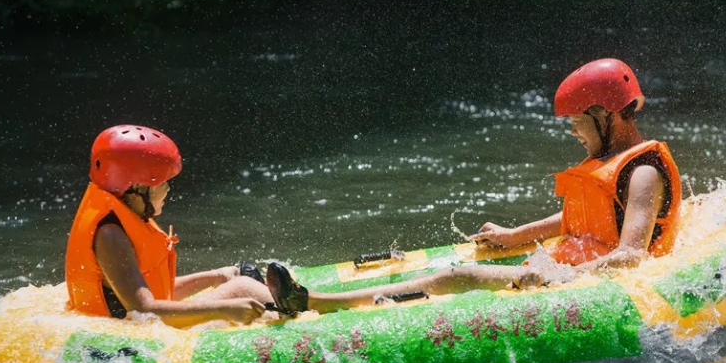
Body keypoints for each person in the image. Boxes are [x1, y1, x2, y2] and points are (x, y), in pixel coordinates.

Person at [267, 58, 682, 316]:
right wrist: (515, 236)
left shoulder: (643, 172)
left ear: (605, 114)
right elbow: (583, 217)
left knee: (456, 274)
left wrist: (555, 276)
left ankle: (315, 303)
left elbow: (630, 255)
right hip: (570, 269)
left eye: (577, 122)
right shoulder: (609, 161)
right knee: (456, 270)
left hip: (594, 287)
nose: (572, 132)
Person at [65, 125, 273, 328]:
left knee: (238, 284)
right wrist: (222, 309)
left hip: (143, 326)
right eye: (162, 182)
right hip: (132, 340)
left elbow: (151, 289)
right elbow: (142, 311)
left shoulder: (123, 220)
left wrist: (216, 276)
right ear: (138, 187)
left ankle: (295, 305)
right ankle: (295, 315)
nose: (168, 188)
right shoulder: (110, 235)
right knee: (242, 287)